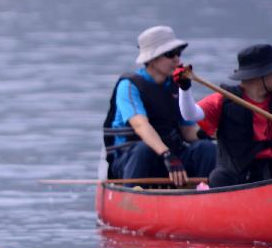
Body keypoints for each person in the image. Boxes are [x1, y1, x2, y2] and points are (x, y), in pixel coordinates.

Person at [103, 25, 216, 186]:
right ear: (152, 58)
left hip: (170, 158)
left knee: (206, 149)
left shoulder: (176, 85)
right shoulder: (129, 86)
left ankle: (205, 194)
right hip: (131, 159)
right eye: (170, 54)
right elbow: (141, 125)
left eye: (179, 53)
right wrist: (167, 155)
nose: (177, 60)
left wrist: (211, 134)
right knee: (144, 150)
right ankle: (134, 199)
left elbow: (188, 130)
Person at [177, 44, 272, 187]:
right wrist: (184, 88)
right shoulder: (223, 100)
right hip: (235, 176)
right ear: (260, 76)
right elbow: (190, 114)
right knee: (219, 177)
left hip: (268, 173)